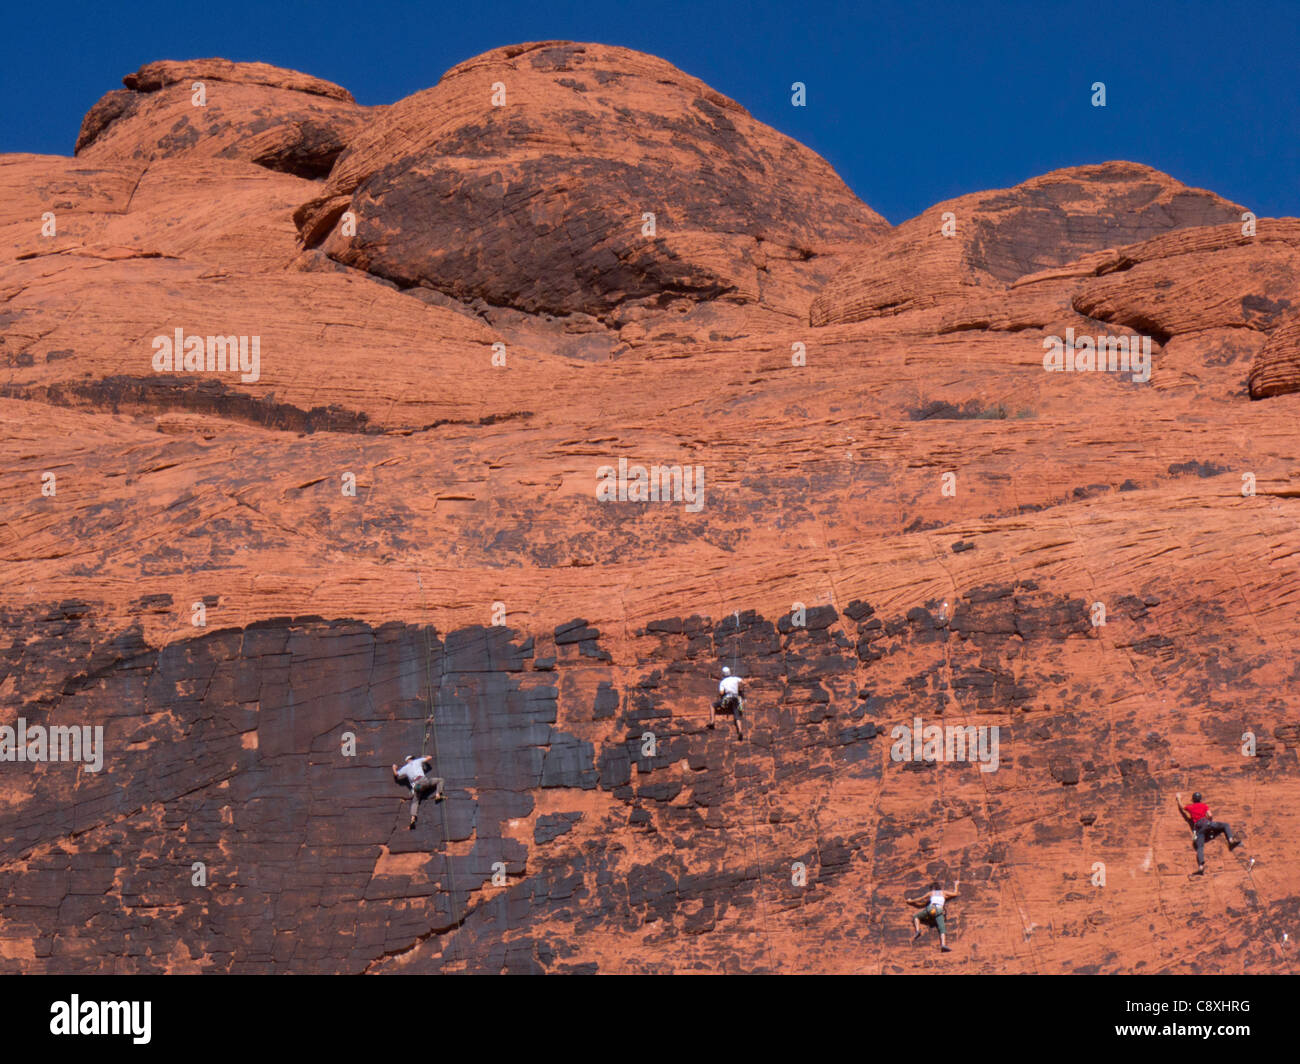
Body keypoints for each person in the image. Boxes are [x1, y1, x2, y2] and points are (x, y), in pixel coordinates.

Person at [1176, 791, 1242, 874]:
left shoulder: (1191, 807)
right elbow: (1210, 815)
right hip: (1207, 823)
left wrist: (1178, 798)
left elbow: (1182, 808)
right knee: (1225, 825)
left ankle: (1201, 867)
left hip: (1198, 828)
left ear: (1193, 799)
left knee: (1200, 847)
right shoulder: (1204, 805)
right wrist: (1210, 823)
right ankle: (1231, 841)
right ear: (1200, 799)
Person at [393, 754, 445, 829]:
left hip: (417, 786)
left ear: (407, 761)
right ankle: (437, 795)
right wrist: (425, 756)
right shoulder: (417, 761)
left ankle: (413, 818)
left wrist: (394, 768)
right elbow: (430, 757)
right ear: (412, 759)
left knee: (415, 801)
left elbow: (396, 774)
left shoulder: (405, 768)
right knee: (440, 780)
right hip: (424, 782)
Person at [908, 880, 959, 951]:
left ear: (932, 888)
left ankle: (918, 930)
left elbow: (920, 899)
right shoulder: (943, 893)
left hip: (931, 909)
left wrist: (911, 901)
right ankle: (943, 945)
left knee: (916, 916)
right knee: (942, 929)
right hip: (939, 911)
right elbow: (955, 893)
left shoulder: (931, 893)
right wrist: (956, 884)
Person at [710, 665, 744, 738]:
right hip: (736, 698)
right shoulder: (735, 678)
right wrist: (740, 688)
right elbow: (743, 682)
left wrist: (722, 692)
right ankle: (740, 731)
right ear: (729, 672)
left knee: (713, 705)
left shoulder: (723, 682)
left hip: (728, 698)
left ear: (723, 674)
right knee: (737, 715)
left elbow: (721, 693)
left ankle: (712, 722)